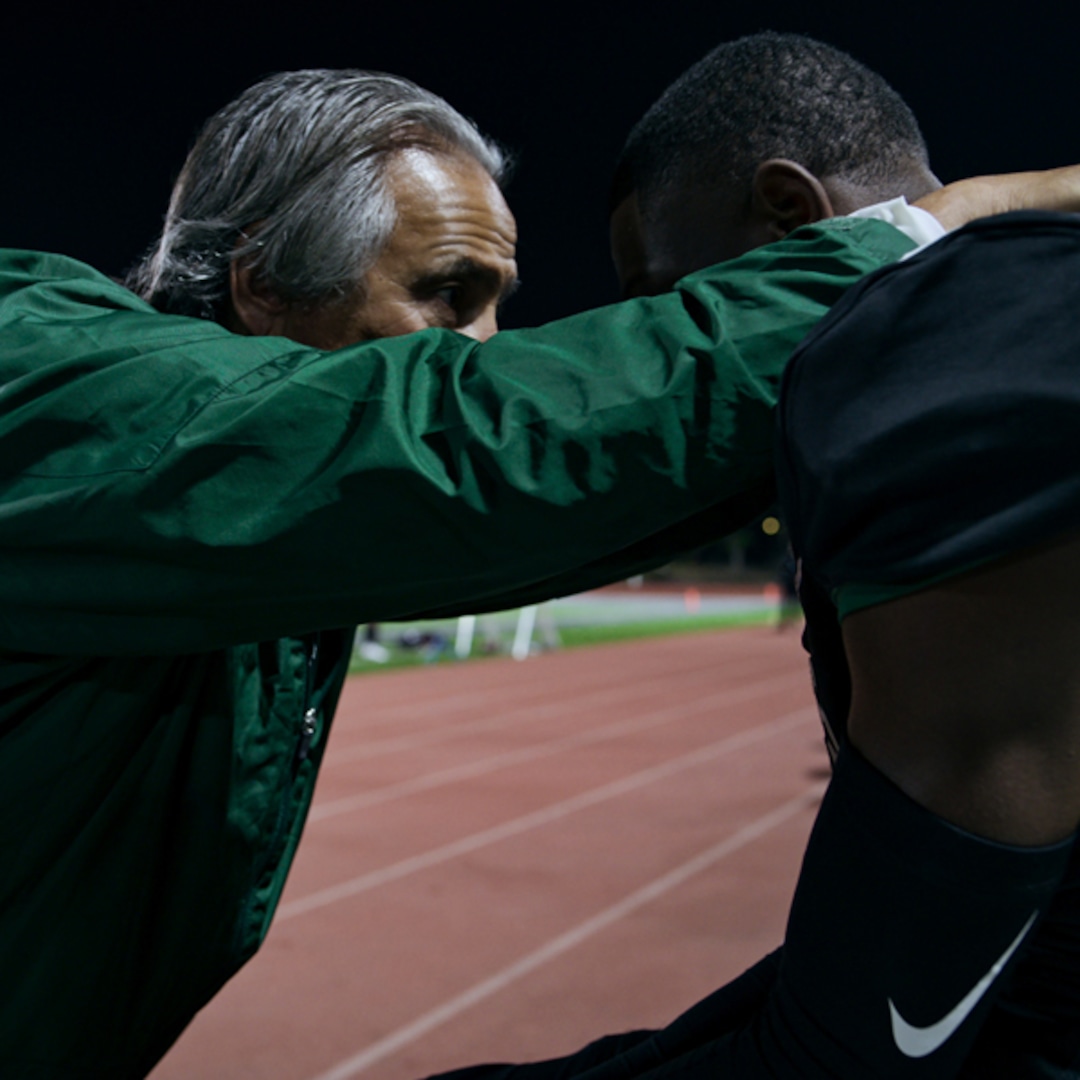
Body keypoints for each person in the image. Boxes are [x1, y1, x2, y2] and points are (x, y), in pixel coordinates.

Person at [0, 62, 1067, 1079]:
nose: (485, 344)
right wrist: (918, 240)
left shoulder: (249, 551)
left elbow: (580, 498)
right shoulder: (42, 381)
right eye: (447, 294)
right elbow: (477, 445)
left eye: (497, 300)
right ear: (266, 284)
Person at [428, 33, 1080, 1080]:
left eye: (666, 297)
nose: (661, 338)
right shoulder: (1028, 294)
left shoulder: (940, 349)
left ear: (789, 215)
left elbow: (866, 1045)